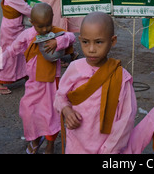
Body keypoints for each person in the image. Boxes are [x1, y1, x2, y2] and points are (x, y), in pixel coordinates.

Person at [0, 2, 76, 154]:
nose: (45, 30)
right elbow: (12, 49)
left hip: (52, 82)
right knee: (28, 111)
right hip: (34, 82)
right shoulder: (28, 35)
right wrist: (0, 62)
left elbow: (71, 37)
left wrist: (57, 42)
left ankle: (50, 145)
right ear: (32, 23)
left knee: (52, 114)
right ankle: (35, 138)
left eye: (48, 25)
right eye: (40, 26)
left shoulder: (56, 33)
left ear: (52, 19)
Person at [54, 12, 137, 154]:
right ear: (79, 40)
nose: (91, 49)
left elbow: (126, 118)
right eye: (85, 42)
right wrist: (66, 110)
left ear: (113, 41)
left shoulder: (121, 77)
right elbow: (60, 96)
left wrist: (109, 149)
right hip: (76, 145)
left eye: (99, 42)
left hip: (108, 147)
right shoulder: (74, 68)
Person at [0, 0, 32, 95]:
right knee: (9, 53)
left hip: (16, 28)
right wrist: (41, 12)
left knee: (21, 51)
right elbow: (28, 10)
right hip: (10, 31)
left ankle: (23, 74)